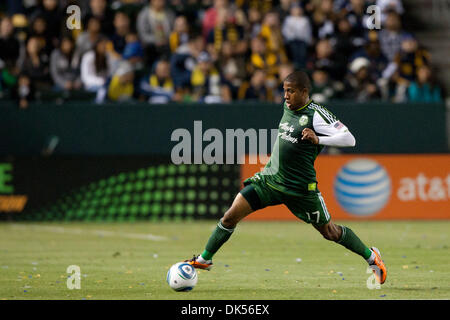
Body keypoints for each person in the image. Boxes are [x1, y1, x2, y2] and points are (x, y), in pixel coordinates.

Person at [185, 70, 387, 287]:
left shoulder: (316, 114)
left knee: (330, 232)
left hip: (301, 189)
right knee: (230, 216)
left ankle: (371, 257)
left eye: (290, 91)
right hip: (270, 180)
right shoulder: (288, 106)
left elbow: (349, 139)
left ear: (304, 92)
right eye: (284, 91)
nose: (286, 96)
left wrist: (318, 138)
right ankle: (205, 259)